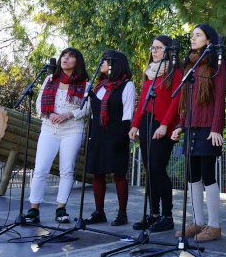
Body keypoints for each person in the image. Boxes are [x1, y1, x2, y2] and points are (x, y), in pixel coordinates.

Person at [171, 24, 226, 242]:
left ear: (208, 40)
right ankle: (197, 222)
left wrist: (216, 128)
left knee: (208, 176)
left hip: (207, 129)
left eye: (198, 35)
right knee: (191, 176)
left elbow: (220, 98)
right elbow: (188, 103)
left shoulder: (217, 65)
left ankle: (214, 226)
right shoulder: (190, 67)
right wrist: (180, 125)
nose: (193, 38)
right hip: (191, 129)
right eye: (192, 35)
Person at [25, 48, 89, 224]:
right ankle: (33, 209)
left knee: (66, 170)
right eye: (64, 56)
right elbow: (40, 102)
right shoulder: (50, 79)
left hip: (72, 130)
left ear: (78, 62)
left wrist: (67, 114)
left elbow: (86, 107)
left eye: (70, 57)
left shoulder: (85, 83)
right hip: (49, 128)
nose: (65, 59)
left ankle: (61, 208)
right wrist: (49, 114)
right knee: (40, 169)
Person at [129, 35, 182, 232]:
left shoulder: (175, 72)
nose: (154, 51)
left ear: (168, 50)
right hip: (146, 123)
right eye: (153, 47)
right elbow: (142, 102)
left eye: (159, 48)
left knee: (158, 169)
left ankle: (168, 217)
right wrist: (135, 125)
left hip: (162, 125)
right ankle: (154, 215)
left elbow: (176, 101)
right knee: (149, 170)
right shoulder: (150, 73)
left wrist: (165, 125)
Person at [84, 50, 135, 226]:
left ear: (116, 63)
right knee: (97, 173)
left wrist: (121, 138)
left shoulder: (127, 85)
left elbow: (127, 115)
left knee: (118, 174)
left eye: (105, 60)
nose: (102, 62)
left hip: (116, 134)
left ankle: (122, 213)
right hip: (98, 135)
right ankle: (99, 212)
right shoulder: (98, 86)